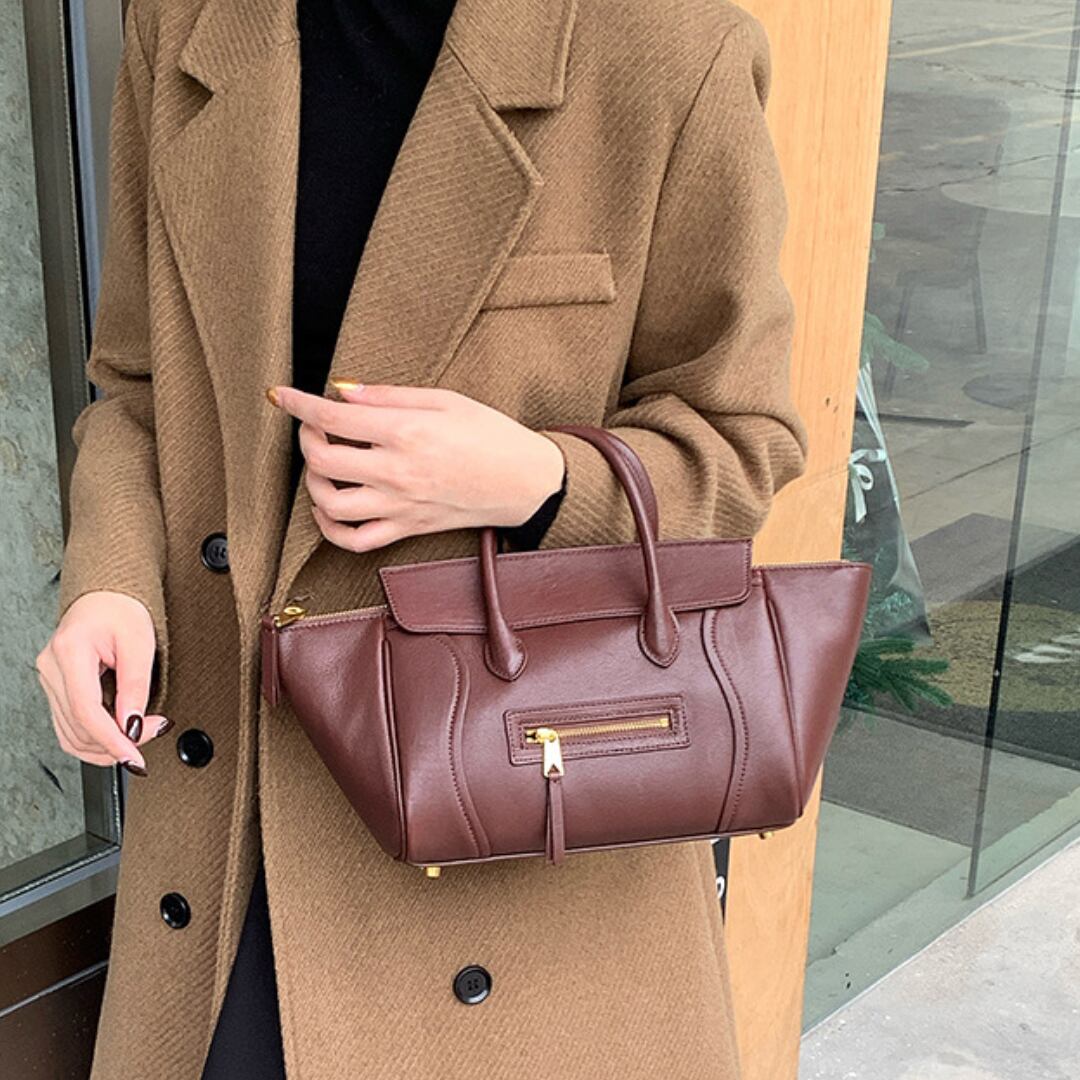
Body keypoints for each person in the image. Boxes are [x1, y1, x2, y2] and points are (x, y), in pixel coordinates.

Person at [36, 0, 809, 1076]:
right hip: (228, 836)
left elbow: (741, 441)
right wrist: (110, 582)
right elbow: (138, 385)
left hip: (513, 840)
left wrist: (532, 481)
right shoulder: (187, 23)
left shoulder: (665, 43)